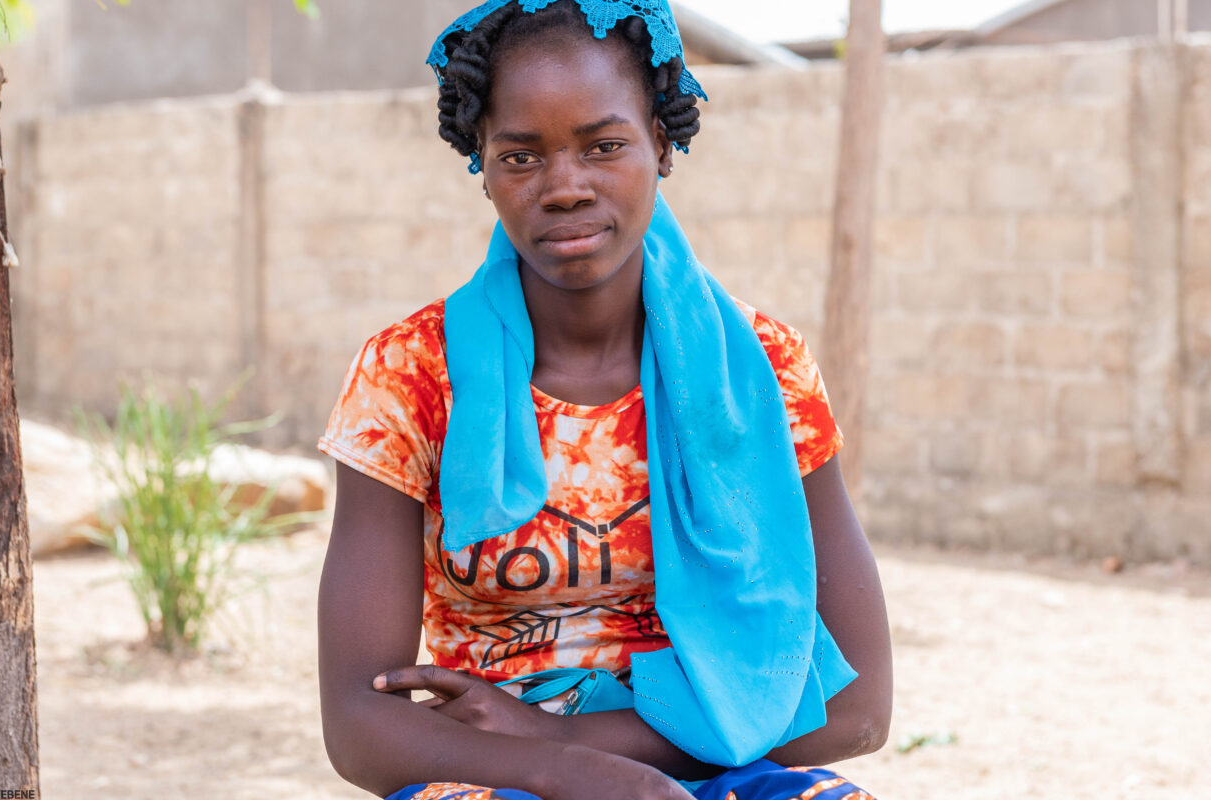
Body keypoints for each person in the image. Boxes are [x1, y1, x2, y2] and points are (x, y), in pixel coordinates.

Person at [316, 2, 892, 798]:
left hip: (722, 760)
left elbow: (860, 705)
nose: (564, 187)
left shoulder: (764, 368)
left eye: (604, 145)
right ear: (482, 167)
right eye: (521, 157)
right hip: (495, 772)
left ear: (661, 144)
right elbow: (356, 718)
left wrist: (588, 749)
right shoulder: (410, 374)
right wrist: (560, 771)